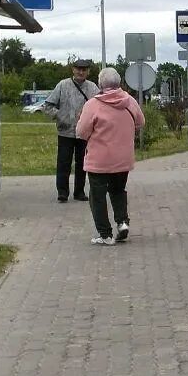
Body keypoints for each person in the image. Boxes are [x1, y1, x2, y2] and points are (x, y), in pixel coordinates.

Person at [75, 67, 144, 246]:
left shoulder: (92, 105)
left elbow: (82, 132)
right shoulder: (129, 101)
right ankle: (122, 224)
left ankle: (105, 234)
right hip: (123, 159)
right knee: (118, 191)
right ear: (119, 82)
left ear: (100, 84)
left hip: (99, 160)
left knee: (97, 196)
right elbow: (140, 122)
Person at [43, 59, 100, 202]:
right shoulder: (63, 85)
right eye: (78, 69)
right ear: (73, 70)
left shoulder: (93, 88)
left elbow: (100, 107)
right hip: (65, 132)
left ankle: (79, 192)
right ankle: (62, 192)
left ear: (88, 71)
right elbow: (47, 106)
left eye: (84, 69)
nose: (81, 72)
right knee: (64, 163)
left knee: (82, 163)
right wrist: (61, 116)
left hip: (85, 133)